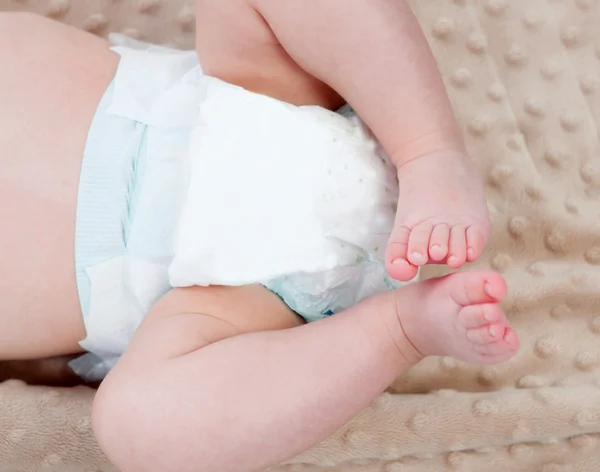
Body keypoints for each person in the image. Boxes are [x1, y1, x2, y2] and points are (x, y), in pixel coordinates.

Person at [0, 1, 519, 471]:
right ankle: (399, 331)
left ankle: (428, 148)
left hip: (255, 102)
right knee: (136, 427)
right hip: (215, 304)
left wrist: (421, 149)